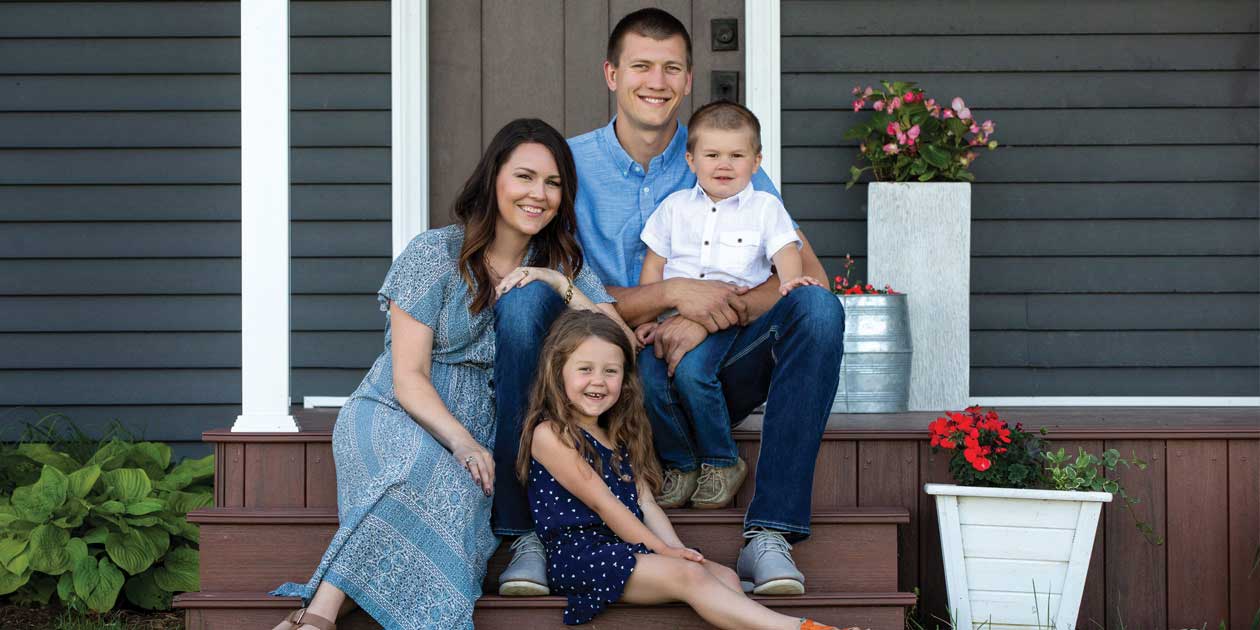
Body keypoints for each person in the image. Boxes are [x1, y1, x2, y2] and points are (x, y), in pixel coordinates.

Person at [494, 7, 844, 598]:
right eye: (640, 66)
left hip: (698, 378)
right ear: (611, 74)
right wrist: (672, 296)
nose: (655, 81)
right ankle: (524, 535)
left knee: (818, 311)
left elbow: (807, 276)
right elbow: (560, 290)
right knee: (524, 306)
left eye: (671, 68)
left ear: (687, 81)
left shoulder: (724, 154)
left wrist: (709, 317)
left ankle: (770, 532)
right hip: (593, 385)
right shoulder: (570, 166)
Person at [269, 118, 623, 630]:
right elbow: (408, 374)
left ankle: (312, 614)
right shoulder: (434, 252)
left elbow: (621, 342)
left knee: (452, 494)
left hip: (490, 420)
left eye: (553, 183)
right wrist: (460, 443)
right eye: (524, 177)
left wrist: (557, 283)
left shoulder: (563, 261)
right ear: (494, 179)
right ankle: (319, 615)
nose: (538, 195)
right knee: (411, 471)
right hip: (398, 406)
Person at [517, 310, 852, 630]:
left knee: (725, 576)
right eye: (585, 369)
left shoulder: (618, 435)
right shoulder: (551, 434)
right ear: (557, 370)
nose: (599, 381)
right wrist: (666, 553)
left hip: (626, 548)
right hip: (580, 558)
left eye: (611, 371)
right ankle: (803, 627)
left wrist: (680, 550)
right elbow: (604, 504)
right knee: (689, 576)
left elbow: (646, 504)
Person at [634, 100, 822, 510]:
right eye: (712, 155)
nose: (724, 164)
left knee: (693, 375)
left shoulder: (765, 208)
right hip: (671, 317)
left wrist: (792, 283)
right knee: (647, 379)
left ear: (756, 161)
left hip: (728, 320)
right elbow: (656, 264)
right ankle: (681, 463)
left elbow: (785, 250)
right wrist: (647, 317)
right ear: (691, 159)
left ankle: (721, 460)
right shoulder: (675, 208)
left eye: (737, 155)